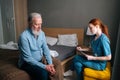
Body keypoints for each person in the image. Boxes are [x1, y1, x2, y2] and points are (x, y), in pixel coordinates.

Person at [18, 12, 63, 80]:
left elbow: (46, 49)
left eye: (40, 24)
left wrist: (50, 64)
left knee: (57, 63)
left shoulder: (42, 33)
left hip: (40, 58)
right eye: (36, 24)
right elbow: (28, 59)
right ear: (30, 24)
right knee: (43, 73)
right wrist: (45, 67)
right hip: (27, 62)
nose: (39, 27)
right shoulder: (24, 37)